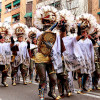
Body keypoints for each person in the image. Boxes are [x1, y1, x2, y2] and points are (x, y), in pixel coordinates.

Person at [34, 6, 60, 100]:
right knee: (43, 78)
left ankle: (51, 92)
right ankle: (41, 94)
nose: (48, 23)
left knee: (53, 78)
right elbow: (44, 36)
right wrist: (53, 26)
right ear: (43, 22)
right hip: (40, 58)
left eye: (50, 22)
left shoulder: (56, 33)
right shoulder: (38, 33)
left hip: (52, 58)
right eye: (46, 22)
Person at [76, 13, 96, 93]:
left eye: (85, 32)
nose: (84, 33)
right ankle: (80, 88)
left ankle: (84, 87)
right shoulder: (78, 41)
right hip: (80, 60)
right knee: (80, 74)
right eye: (83, 32)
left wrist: (92, 60)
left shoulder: (89, 42)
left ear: (87, 33)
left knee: (87, 74)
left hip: (87, 60)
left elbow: (91, 51)